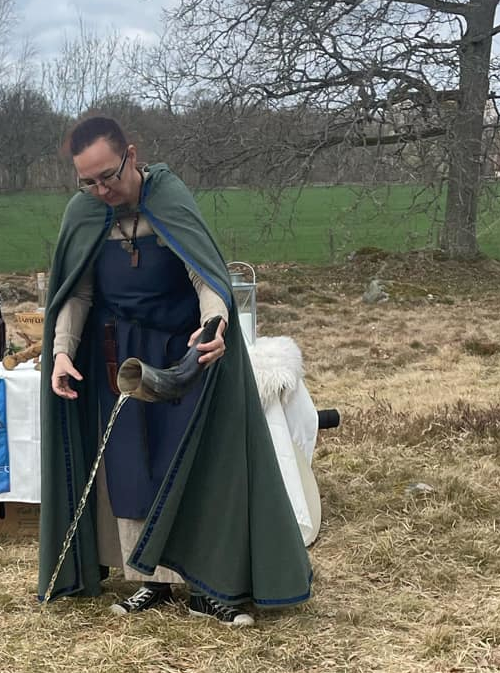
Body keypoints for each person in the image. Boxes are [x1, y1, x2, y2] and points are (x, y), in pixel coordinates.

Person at [37, 116, 311, 625]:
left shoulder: (170, 199)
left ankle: (207, 584)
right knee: (131, 470)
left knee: (186, 463)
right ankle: (150, 579)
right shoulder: (83, 215)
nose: (101, 190)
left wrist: (216, 322)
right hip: (119, 359)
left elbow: (207, 276)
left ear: (132, 156)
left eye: (108, 177)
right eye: (88, 182)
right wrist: (60, 351)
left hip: (183, 353)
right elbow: (76, 293)